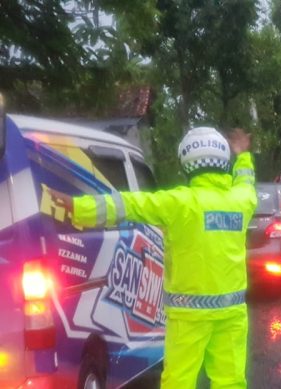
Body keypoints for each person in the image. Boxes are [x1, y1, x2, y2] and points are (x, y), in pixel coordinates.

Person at [48, 127, 256, 388]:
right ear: (222, 161)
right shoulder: (241, 202)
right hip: (231, 313)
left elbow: (129, 205)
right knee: (231, 381)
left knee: (179, 381)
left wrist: (78, 208)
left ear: (187, 164)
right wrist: (244, 155)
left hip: (188, 317)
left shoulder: (179, 203)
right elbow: (246, 183)